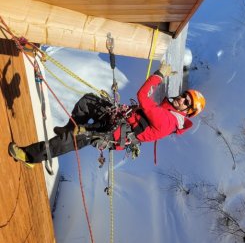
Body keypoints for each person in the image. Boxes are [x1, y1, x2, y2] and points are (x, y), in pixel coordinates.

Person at [8, 61, 206, 166]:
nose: (181, 99)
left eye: (186, 102)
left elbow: (142, 96)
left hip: (115, 134)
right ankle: (70, 128)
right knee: (88, 101)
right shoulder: (167, 109)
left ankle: (29, 156)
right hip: (118, 120)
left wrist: (159, 75)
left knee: (75, 139)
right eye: (183, 96)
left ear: (187, 112)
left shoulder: (168, 121)